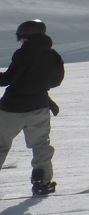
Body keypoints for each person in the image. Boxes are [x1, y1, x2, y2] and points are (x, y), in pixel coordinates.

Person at [0, 20, 64, 196]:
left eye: (21, 38)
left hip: (11, 109)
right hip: (38, 108)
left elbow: (7, 79)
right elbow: (56, 81)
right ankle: (41, 182)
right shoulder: (53, 55)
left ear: (27, 37)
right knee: (40, 146)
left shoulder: (22, 54)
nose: (20, 42)